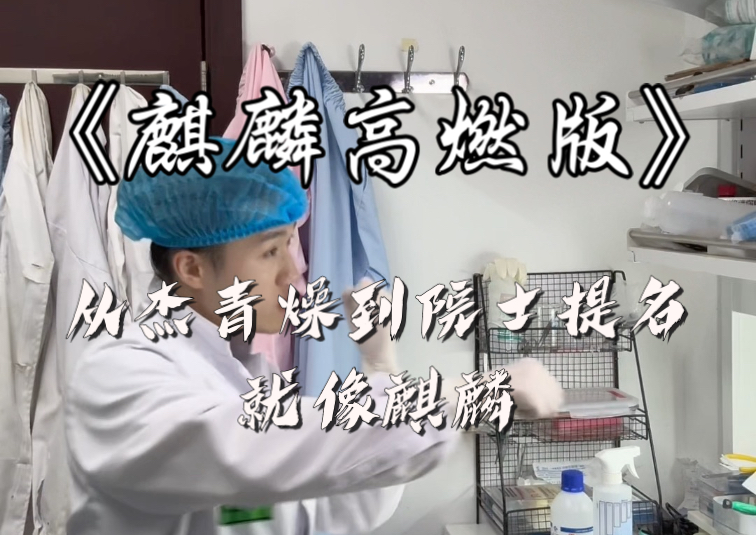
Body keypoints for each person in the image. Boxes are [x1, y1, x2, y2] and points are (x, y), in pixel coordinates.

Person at [64, 137, 564, 535]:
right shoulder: (119, 373)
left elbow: (328, 508)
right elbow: (249, 448)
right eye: (270, 252)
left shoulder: (245, 373)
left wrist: (382, 371)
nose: (293, 273)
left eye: (290, 247)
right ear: (192, 269)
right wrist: (461, 396)